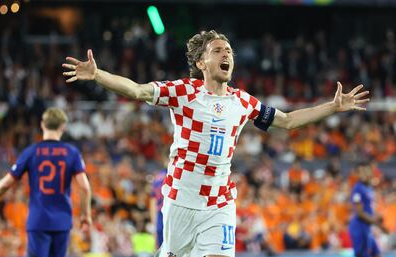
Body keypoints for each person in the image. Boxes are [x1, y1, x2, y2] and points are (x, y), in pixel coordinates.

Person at [63, 30, 369, 257]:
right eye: (218, 50)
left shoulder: (243, 101)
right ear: (202, 62)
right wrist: (98, 74)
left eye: (230, 51)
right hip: (182, 198)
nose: (227, 55)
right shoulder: (184, 91)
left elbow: (287, 121)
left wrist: (333, 106)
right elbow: (138, 90)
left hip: (219, 201)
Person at [0, 107, 92, 257]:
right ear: (63, 127)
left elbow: (7, 182)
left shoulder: (31, 151)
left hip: (38, 219)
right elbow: (85, 188)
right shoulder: (72, 152)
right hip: (62, 221)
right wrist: (86, 215)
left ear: (42, 125)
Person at [348, 162, 388, 257]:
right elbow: (360, 213)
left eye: (366, 170)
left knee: (378, 254)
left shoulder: (369, 188)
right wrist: (379, 225)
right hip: (359, 228)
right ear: (357, 174)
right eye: (361, 171)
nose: (364, 174)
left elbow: (369, 208)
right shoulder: (357, 188)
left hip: (367, 227)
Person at [150, 168, 167, 248]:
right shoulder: (177, 173)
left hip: (160, 212)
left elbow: (153, 201)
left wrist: (153, 222)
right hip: (168, 211)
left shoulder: (157, 177)